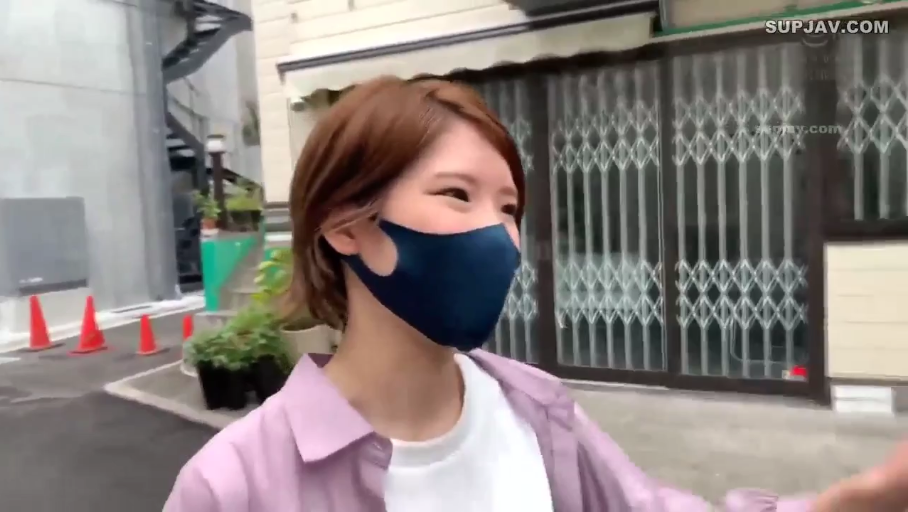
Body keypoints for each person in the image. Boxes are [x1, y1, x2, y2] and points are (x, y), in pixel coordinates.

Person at [163, 76, 907, 511]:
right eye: (457, 195)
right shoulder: (234, 486)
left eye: (510, 208)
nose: (498, 236)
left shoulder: (536, 410)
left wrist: (855, 499)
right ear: (345, 225)